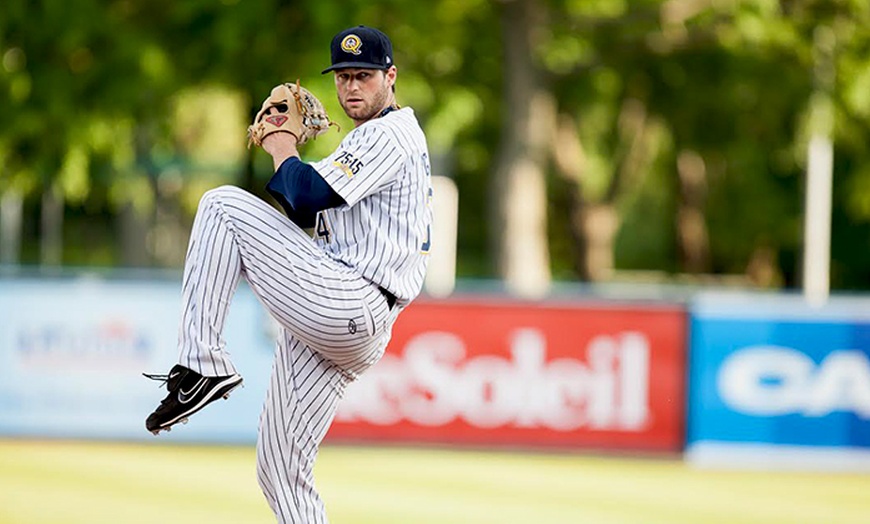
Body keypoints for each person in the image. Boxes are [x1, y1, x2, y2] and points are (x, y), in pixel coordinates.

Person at [144, 25, 432, 523]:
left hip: (350, 298)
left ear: (391, 77)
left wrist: (282, 145)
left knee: (221, 206)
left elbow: (308, 194)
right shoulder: (367, 140)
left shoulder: (391, 134)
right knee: (279, 468)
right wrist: (293, 156)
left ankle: (204, 364)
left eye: (363, 75)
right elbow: (302, 207)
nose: (351, 88)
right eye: (343, 77)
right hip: (344, 312)